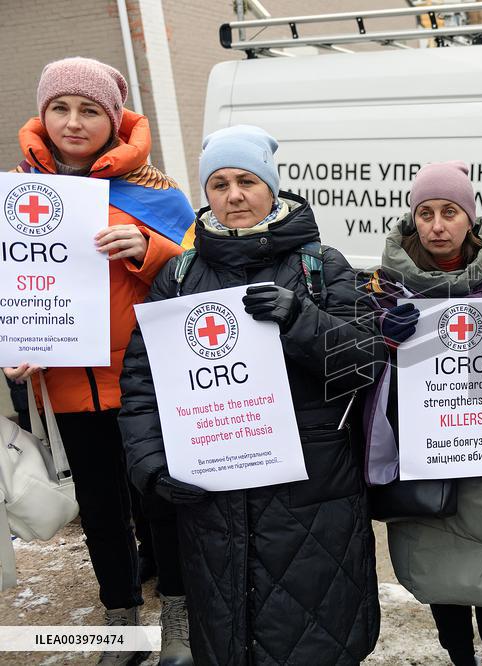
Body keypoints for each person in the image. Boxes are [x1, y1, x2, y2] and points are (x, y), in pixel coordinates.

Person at [118, 125, 381, 664]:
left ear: (272, 187)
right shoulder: (180, 275)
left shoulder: (320, 266)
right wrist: (152, 467)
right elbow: (142, 384)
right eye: (218, 184)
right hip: (213, 501)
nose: (234, 195)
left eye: (246, 180)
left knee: (317, 641)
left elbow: (367, 363)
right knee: (227, 639)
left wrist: (299, 317)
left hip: (313, 495)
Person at [5, 57, 193, 666]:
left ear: (112, 120)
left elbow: (198, 274)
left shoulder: (154, 188)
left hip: (145, 379)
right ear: (43, 114)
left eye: (89, 110)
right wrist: (16, 347)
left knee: (160, 504)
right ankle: (121, 623)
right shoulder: (20, 192)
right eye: (60, 107)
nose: (73, 122)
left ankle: (181, 619)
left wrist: (150, 247)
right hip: (66, 382)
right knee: (101, 511)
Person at [362, 161, 482, 666]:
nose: (437, 225)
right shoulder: (383, 289)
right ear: (413, 219)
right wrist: (382, 341)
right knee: (445, 581)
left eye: (450, 212)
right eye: (426, 213)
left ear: (471, 220)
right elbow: (356, 368)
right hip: (426, 460)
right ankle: (459, 655)